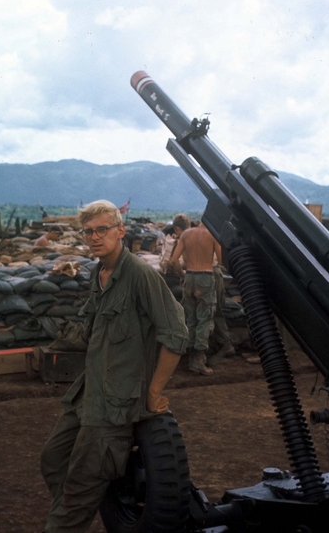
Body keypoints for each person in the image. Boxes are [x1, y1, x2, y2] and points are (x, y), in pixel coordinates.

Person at [40, 200, 188, 533]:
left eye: (102, 229)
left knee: (78, 488)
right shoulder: (99, 273)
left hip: (115, 406)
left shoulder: (140, 275)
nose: (94, 237)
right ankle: (73, 512)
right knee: (53, 460)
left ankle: (68, 519)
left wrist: (153, 392)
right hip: (88, 394)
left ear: (120, 231)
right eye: (89, 231)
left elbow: (177, 334)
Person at [170, 220, 220, 376]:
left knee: (190, 319)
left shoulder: (186, 233)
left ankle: (189, 357)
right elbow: (223, 261)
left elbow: (173, 261)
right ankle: (198, 360)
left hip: (189, 277)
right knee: (204, 319)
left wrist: (183, 275)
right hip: (205, 277)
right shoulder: (213, 235)